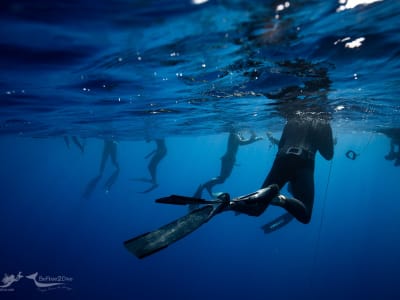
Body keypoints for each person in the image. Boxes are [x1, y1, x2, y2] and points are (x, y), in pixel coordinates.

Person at [194, 129, 262, 198]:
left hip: (228, 159)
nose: (242, 131)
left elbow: (240, 142)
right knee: (222, 179)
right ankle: (205, 186)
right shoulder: (234, 135)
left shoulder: (235, 135)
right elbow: (242, 143)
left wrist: (253, 138)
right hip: (228, 159)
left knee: (222, 178)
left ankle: (207, 186)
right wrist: (254, 138)